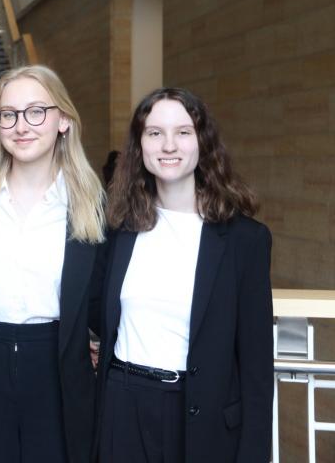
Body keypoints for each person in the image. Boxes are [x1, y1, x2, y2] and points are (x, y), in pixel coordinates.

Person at [96, 87, 273, 463]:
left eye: (183, 131)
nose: (168, 145)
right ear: (140, 146)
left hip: (200, 418)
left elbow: (257, 368)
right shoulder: (119, 230)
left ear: (202, 143)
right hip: (122, 408)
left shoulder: (245, 240)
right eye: (155, 133)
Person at [0, 65, 107, 463]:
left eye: (37, 111)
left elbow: (105, 297)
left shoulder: (92, 207)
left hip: (54, 364)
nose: (22, 125)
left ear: (63, 120)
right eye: (9, 114)